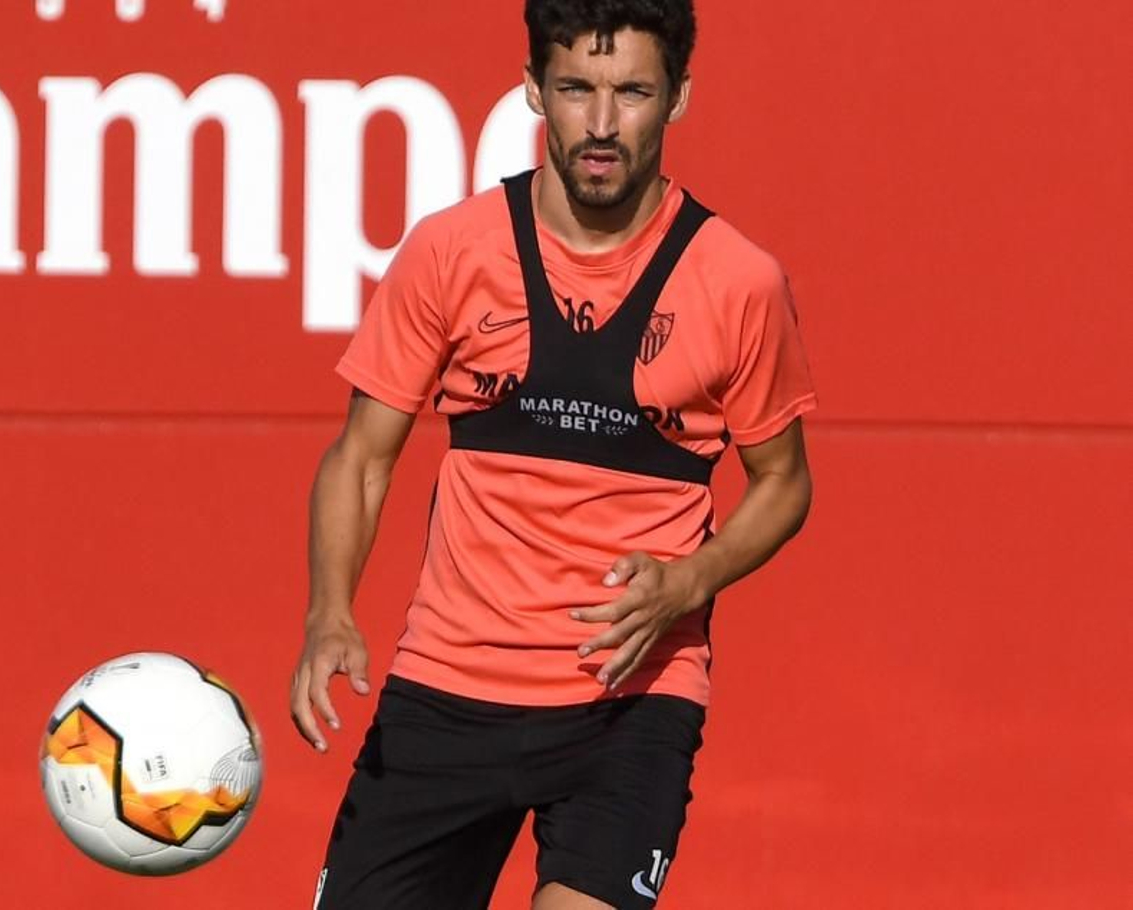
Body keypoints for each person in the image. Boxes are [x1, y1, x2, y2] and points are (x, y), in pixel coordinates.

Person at [289, 1, 816, 907]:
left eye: (633, 92)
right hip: (445, 689)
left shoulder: (738, 281)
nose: (602, 124)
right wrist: (328, 612)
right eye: (576, 89)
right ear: (535, 91)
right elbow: (361, 456)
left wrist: (691, 582)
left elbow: (784, 483)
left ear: (679, 99)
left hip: (629, 699)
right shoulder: (451, 251)